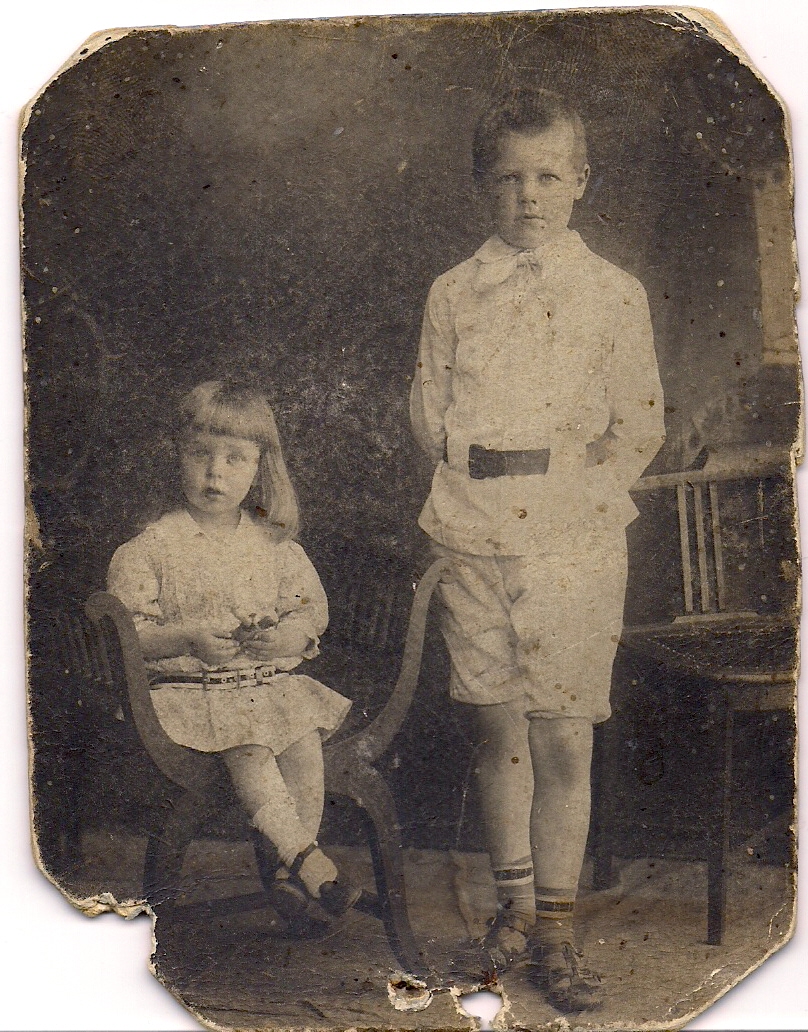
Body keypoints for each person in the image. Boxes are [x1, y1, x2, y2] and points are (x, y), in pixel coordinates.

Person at [410, 88, 665, 1011]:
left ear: (581, 181)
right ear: (483, 185)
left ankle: (556, 926)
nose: (529, 195)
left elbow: (639, 425)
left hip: (571, 538)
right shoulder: (453, 292)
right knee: (496, 728)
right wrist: (475, 479)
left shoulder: (613, 293)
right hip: (473, 525)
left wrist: (577, 502)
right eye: (510, 178)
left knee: (561, 735)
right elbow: (429, 411)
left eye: (549, 176)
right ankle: (513, 910)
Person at [107, 379, 360, 924]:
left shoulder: (272, 546)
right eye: (200, 454)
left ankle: (292, 872)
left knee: (301, 738)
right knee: (250, 746)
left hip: (262, 689)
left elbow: (309, 613)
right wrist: (188, 639)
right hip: (187, 695)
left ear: (260, 467)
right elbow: (129, 634)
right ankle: (306, 862)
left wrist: (286, 637)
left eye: (234, 458)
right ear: (176, 456)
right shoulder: (152, 547)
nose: (215, 473)